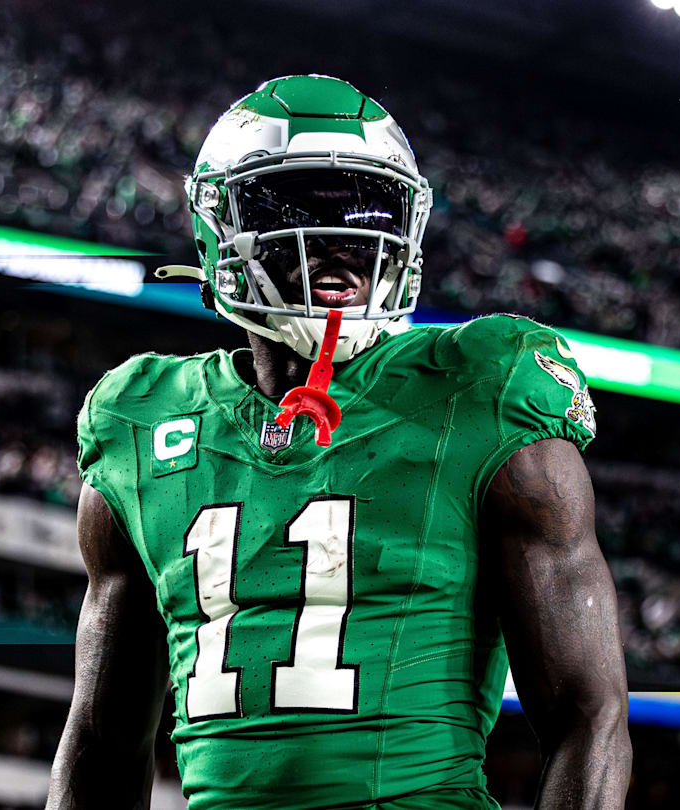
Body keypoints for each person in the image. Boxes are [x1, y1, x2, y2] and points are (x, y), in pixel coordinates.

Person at [48, 75, 630, 810]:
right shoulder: (138, 423)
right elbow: (102, 743)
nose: (342, 239)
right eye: (295, 207)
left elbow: (591, 716)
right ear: (217, 226)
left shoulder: (480, 391)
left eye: (367, 209)